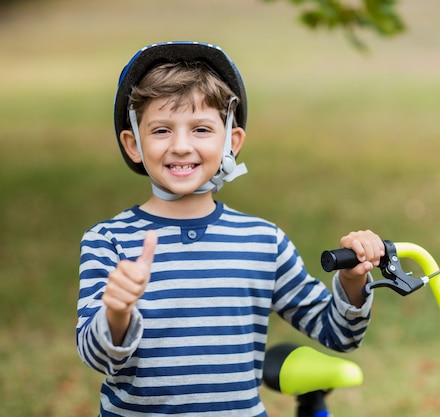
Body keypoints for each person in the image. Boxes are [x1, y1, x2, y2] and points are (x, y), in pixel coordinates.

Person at [76, 41, 384, 417]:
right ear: (133, 144)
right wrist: (117, 312)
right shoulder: (107, 241)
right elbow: (97, 358)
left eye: (201, 128)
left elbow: (339, 334)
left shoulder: (263, 242)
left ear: (231, 142)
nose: (181, 146)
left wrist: (353, 281)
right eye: (160, 130)